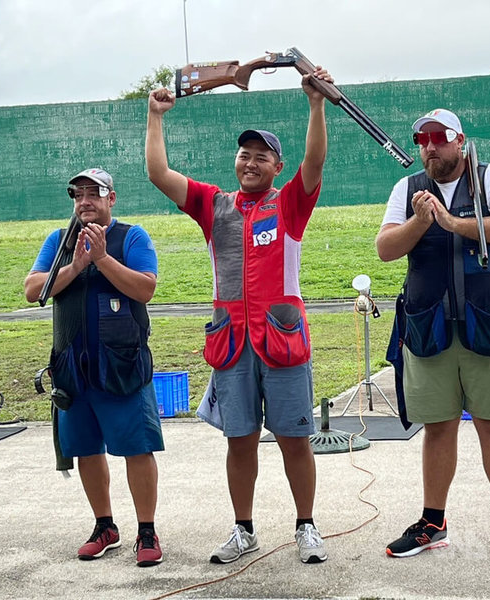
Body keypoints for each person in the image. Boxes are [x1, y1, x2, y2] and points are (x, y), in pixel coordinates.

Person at [144, 67, 334, 565]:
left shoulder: (290, 204)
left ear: (277, 166)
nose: (250, 163)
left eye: (261, 157)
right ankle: (243, 529)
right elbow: (159, 175)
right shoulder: (214, 205)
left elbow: (314, 162)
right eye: (244, 155)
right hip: (232, 343)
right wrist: (155, 118)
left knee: (295, 438)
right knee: (240, 440)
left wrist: (315, 105)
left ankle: (306, 526)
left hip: (282, 338)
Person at [375, 109, 490, 561]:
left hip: (484, 323)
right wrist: (421, 223)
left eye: (439, 137)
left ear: (460, 140)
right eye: (422, 139)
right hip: (428, 326)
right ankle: (433, 522)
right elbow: (386, 249)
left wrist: (454, 224)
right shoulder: (407, 189)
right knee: (437, 428)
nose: (430, 147)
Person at [24, 168, 165, 567]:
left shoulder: (131, 237)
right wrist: (76, 265)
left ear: (111, 198)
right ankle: (105, 526)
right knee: (86, 450)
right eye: (78, 194)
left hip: (122, 366)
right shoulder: (59, 240)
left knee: (137, 449)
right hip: (73, 369)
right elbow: (34, 289)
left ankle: (147, 531)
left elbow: (145, 288)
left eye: (93, 193)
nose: (84, 201)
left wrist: (101, 260)